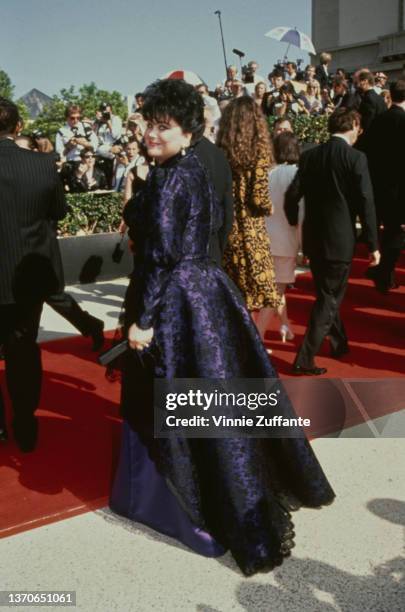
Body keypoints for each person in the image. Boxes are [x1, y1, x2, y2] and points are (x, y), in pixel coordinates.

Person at [110, 79, 335, 576]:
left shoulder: (172, 177)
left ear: (188, 131)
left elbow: (162, 257)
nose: (150, 133)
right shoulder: (194, 169)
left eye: (161, 127)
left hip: (178, 296)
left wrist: (142, 322)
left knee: (186, 397)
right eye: (148, 123)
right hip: (210, 289)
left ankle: (196, 499)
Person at [285, 108, 380, 375]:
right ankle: (305, 357)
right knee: (329, 297)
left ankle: (339, 343)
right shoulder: (356, 158)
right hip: (340, 240)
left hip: (314, 237)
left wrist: (294, 221)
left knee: (327, 292)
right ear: (352, 125)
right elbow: (366, 202)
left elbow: (293, 195)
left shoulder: (310, 156)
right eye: (358, 126)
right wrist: (373, 243)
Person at [0, 98, 67, 451]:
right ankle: (24, 422)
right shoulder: (43, 165)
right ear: (19, 127)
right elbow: (58, 211)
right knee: (23, 350)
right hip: (26, 276)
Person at [216, 96, 280, 318]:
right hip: (251, 231)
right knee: (252, 298)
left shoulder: (221, 153)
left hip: (227, 232)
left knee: (231, 297)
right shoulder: (258, 153)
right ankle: (249, 348)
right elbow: (259, 199)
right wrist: (269, 208)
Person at [258, 132, 304, 342]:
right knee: (275, 291)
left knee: (276, 287)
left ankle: (284, 325)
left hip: (264, 238)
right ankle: (257, 337)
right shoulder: (297, 174)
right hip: (287, 240)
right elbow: (300, 212)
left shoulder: (268, 173)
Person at [364, 80, 405, 292]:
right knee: (396, 232)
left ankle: (385, 274)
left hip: (378, 184)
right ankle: (384, 272)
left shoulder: (379, 120)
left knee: (387, 231)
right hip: (399, 188)